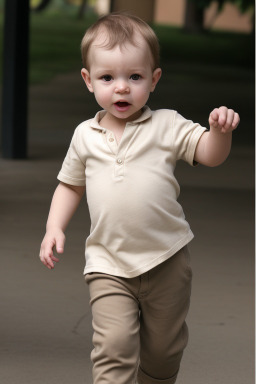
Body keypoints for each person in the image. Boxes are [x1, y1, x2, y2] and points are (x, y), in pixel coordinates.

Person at [39, 12, 240, 384]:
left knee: (163, 353)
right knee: (113, 345)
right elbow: (70, 185)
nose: (121, 88)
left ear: (154, 79)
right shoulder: (84, 135)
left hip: (167, 260)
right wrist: (54, 227)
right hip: (108, 263)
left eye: (135, 77)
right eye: (107, 77)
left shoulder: (167, 124)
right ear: (88, 80)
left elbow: (210, 154)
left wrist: (219, 132)